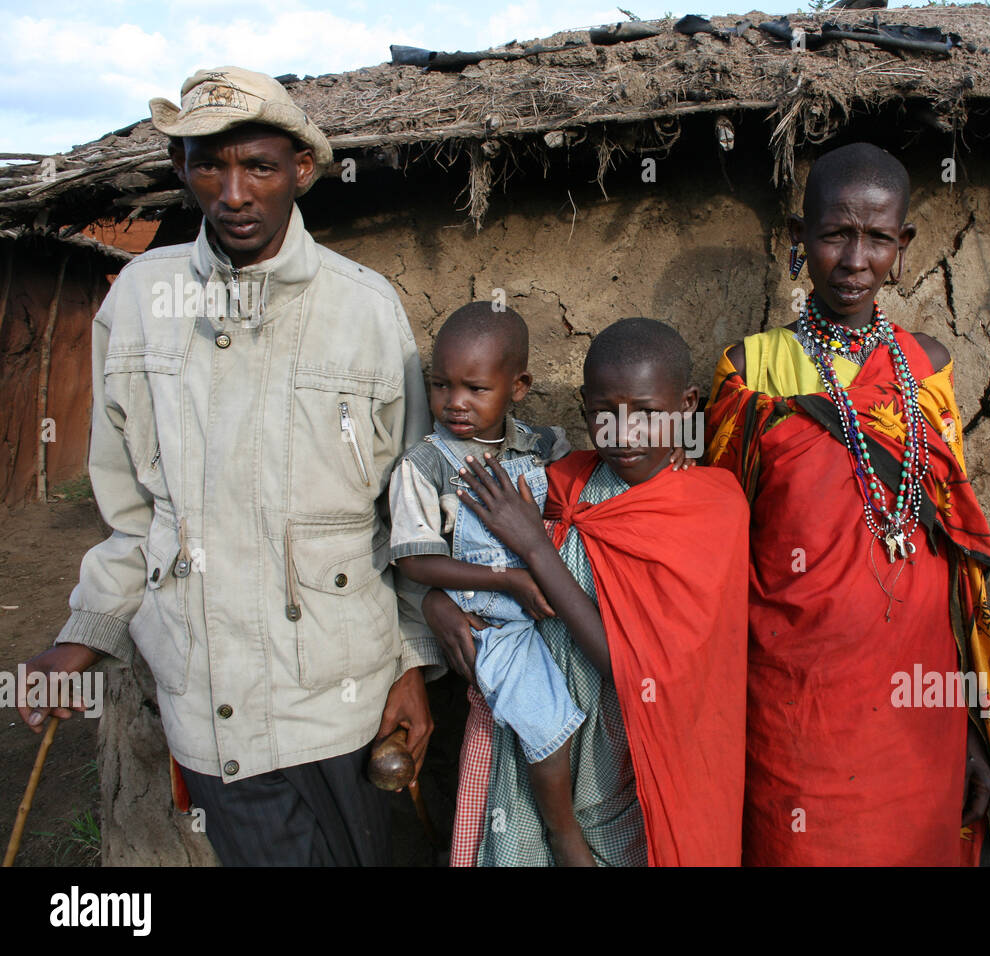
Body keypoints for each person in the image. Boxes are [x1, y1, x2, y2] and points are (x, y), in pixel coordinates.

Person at [17, 66, 439, 866]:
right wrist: (87, 630)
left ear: (302, 171)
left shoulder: (365, 309)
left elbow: (409, 512)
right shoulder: (139, 303)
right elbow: (131, 515)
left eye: (259, 167)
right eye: (208, 164)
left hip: (341, 686)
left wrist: (411, 660)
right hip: (213, 695)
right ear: (182, 169)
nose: (234, 192)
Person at [704, 142, 990, 865]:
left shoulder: (928, 368)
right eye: (836, 233)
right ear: (800, 239)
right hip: (795, 702)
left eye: (877, 237)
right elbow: (716, 549)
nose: (854, 259)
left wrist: (968, 714)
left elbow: (957, 552)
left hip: (918, 700)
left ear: (902, 247)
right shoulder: (750, 370)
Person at [426, 318, 750, 866]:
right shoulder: (561, 482)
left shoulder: (709, 508)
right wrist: (437, 602)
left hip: (633, 762)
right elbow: (473, 553)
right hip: (539, 748)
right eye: (605, 413)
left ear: (688, 404)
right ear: (582, 407)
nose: (623, 433)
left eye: (647, 414)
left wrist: (535, 546)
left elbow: (634, 674)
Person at [387, 302, 601, 865]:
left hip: (543, 607)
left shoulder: (540, 446)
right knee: (546, 721)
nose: (454, 403)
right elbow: (415, 562)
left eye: (475, 389)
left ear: (520, 386)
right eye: (440, 386)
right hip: (487, 619)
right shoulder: (425, 465)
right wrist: (504, 580)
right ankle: (562, 832)